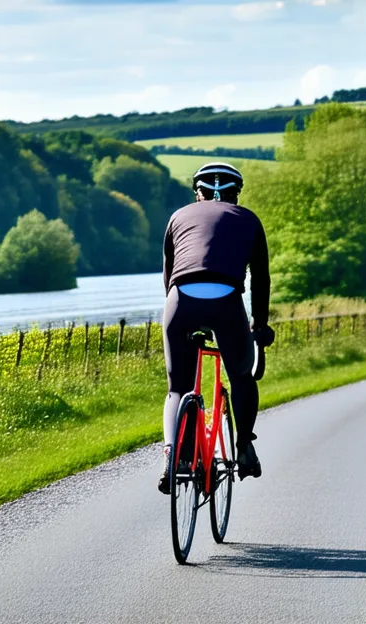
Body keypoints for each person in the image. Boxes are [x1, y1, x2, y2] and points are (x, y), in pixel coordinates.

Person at [158, 162, 274, 495]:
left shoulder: (178, 217)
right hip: (226, 300)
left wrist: (181, 312)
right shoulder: (248, 219)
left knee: (176, 387)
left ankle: (172, 456)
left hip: (180, 299)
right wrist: (259, 325)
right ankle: (243, 446)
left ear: (198, 193)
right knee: (241, 375)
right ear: (236, 194)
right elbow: (260, 279)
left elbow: (169, 276)